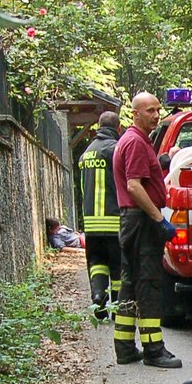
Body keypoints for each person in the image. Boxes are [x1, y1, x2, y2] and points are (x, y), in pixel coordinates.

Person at [111, 91, 182, 368]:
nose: (155, 115)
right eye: (149, 111)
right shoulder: (137, 143)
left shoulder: (132, 140)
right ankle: (154, 349)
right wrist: (158, 219)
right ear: (135, 113)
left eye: (157, 110)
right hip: (141, 221)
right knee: (149, 284)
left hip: (132, 220)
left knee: (129, 284)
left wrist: (163, 159)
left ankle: (125, 347)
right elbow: (134, 185)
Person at [76, 111, 123, 320]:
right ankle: (118, 307)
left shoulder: (86, 153)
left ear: (98, 128)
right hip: (113, 221)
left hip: (91, 224)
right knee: (118, 266)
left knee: (97, 263)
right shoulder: (114, 150)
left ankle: (98, 299)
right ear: (118, 128)